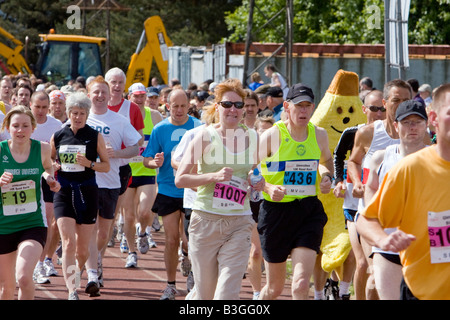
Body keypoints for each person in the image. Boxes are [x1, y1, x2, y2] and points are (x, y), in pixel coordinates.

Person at [356, 83, 450, 300]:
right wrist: (382, 239)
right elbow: (367, 218)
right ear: (434, 118)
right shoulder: (406, 167)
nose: (412, 127)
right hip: (418, 281)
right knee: (373, 286)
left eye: (417, 122)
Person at [174, 78, 263, 299]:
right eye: (227, 104)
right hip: (205, 222)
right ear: (217, 107)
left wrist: (257, 181)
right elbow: (181, 179)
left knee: (226, 293)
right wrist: (213, 176)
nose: (233, 109)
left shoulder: (253, 137)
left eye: (238, 105)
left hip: (239, 222)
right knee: (205, 294)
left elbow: (253, 172)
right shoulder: (204, 137)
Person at [257, 83, 334, 300]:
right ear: (287, 107)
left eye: (307, 106)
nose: (303, 111)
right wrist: (268, 187)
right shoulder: (273, 135)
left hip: (308, 211)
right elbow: (249, 169)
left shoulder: (319, 134)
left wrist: (327, 176)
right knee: (274, 289)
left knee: (300, 284)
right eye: (298, 106)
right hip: (275, 213)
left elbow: (326, 159)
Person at [347, 79, 412, 300]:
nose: (401, 104)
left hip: (404, 219)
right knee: (371, 272)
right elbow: (353, 162)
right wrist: (356, 182)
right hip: (371, 216)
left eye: (406, 100)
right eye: (396, 100)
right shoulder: (367, 133)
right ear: (385, 103)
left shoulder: (419, 133)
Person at [362, 100, 428, 300]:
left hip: (425, 248)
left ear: (427, 124)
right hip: (388, 245)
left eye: (418, 121)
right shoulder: (380, 158)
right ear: (396, 125)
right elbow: (368, 199)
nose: (413, 127)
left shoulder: (438, 159)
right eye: (407, 122)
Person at [83, 76, 140, 297]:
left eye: (103, 92)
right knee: (91, 228)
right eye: (95, 92)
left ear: (109, 96)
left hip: (111, 183)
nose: (99, 96)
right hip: (86, 182)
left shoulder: (119, 120)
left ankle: (96, 261)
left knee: (104, 231)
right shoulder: (80, 119)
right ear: (89, 95)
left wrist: (117, 153)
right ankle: (91, 273)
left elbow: (135, 148)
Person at [142, 88, 202, 300]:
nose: (178, 110)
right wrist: (154, 162)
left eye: (183, 106)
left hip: (192, 191)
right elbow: (146, 159)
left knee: (190, 240)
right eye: (174, 106)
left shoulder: (199, 127)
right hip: (168, 189)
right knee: (171, 239)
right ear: (167, 106)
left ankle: (192, 266)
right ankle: (170, 284)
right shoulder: (160, 129)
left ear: (189, 106)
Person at [50, 92, 110, 300]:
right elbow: (49, 161)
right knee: (68, 242)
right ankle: (72, 289)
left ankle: (79, 270)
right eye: (74, 113)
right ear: (68, 113)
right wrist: (54, 167)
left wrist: (89, 164)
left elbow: (106, 166)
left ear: (87, 114)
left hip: (87, 192)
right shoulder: (59, 135)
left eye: (82, 113)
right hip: (64, 192)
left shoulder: (94, 136)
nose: (77, 117)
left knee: (82, 249)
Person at [0, 106, 61, 300]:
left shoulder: (42, 148)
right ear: (7, 128)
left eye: (25, 125)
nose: (20, 130)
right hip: (4, 226)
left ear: (33, 128)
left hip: (32, 222)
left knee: (25, 277)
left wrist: (50, 179)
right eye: (15, 126)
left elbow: (48, 167)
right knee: (6, 289)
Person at [331, 89, 386, 300]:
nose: (379, 113)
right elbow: (339, 157)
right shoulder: (353, 133)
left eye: (382, 108)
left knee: (375, 265)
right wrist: (339, 181)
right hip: (354, 205)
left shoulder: (394, 135)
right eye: (374, 109)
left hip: (381, 208)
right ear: (364, 109)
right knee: (362, 262)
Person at [121, 82, 162, 268]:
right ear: (129, 97)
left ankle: (143, 231)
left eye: (141, 96)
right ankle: (131, 252)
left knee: (145, 212)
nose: (139, 99)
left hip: (147, 169)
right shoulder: (122, 116)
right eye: (135, 96)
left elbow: (161, 140)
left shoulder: (154, 116)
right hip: (127, 171)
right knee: (128, 216)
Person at [105, 68, 144, 258]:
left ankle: (131, 250)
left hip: (121, 168)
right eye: (113, 82)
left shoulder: (132, 109)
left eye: (121, 82)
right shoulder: (95, 107)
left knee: (123, 214)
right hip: (97, 169)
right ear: (107, 84)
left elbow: (138, 140)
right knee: (103, 218)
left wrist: (118, 149)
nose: (117, 86)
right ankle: (97, 261)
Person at [28, 91, 64, 284]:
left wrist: (55, 164)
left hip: (48, 177)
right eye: (37, 107)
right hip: (26, 178)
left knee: (49, 220)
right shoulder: (24, 124)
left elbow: (59, 153)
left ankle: (41, 263)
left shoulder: (56, 126)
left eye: (44, 107)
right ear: (30, 106)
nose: (41, 111)